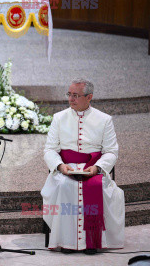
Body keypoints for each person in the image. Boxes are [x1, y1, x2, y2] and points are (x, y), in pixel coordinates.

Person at [41, 78, 124, 254]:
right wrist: (60, 166)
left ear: (89, 97)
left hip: (93, 168)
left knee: (97, 185)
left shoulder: (104, 120)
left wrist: (97, 168)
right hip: (66, 167)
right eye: (69, 94)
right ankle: (66, 242)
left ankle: (92, 241)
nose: (71, 99)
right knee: (64, 185)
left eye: (76, 95)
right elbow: (49, 149)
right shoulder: (59, 118)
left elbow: (111, 151)